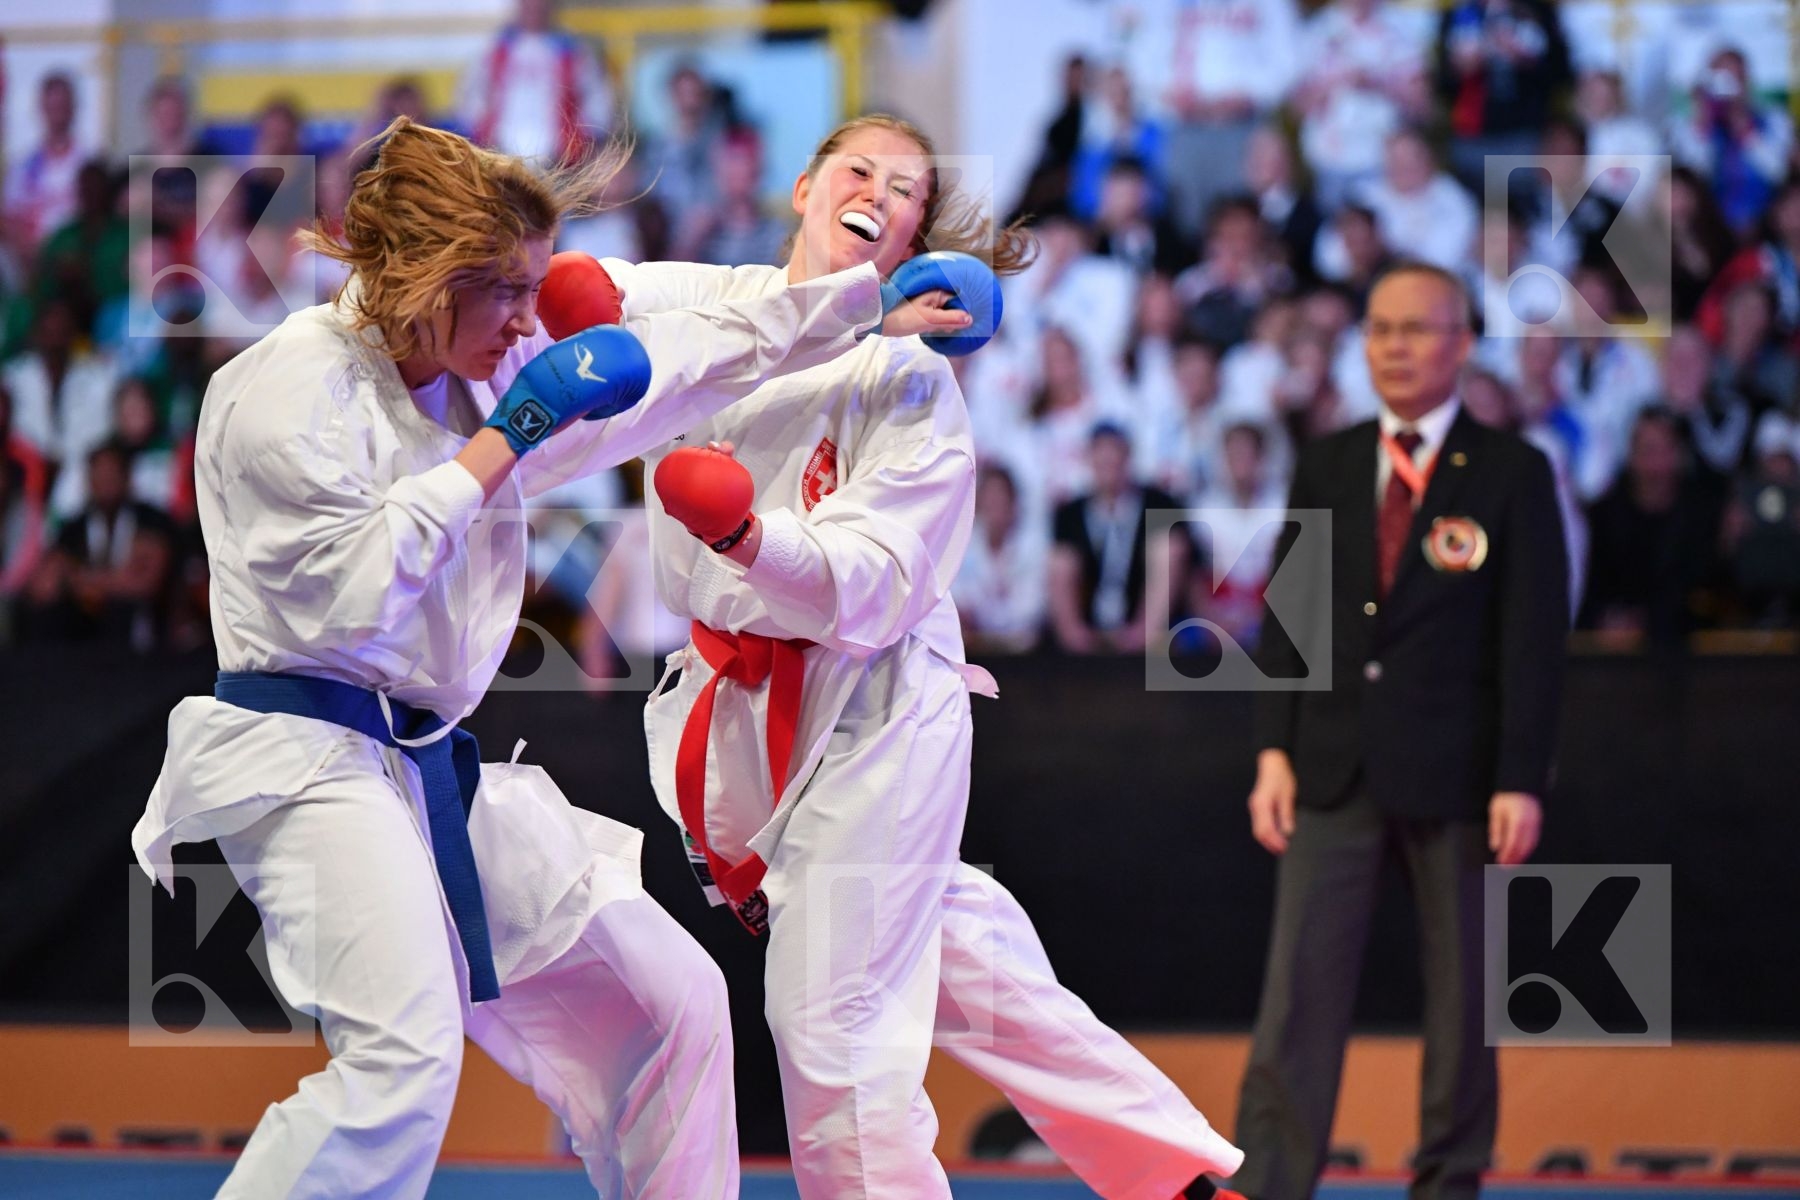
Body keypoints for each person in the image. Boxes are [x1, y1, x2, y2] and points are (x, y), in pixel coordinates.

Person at [129, 117, 965, 1200]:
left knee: (673, 1006)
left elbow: (691, 358)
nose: (534, 319)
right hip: (302, 760)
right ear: (431, 277)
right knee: (400, 1059)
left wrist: (858, 310)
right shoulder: (287, 389)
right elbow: (353, 596)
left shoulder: (473, 370)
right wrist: (502, 443)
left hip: (421, 764)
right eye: (511, 292)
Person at [611, 114, 1245, 1198]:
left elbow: (878, 578)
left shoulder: (909, 381)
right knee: (972, 976)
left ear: (913, 242)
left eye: (905, 192)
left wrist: (748, 538)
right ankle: (1190, 1183)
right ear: (805, 187)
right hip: (737, 708)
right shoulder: (717, 304)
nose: (878, 193)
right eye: (859, 170)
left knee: (833, 1019)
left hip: (875, 706)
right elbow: (592, 292)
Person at [1236, 261, 1568, 1199]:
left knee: (1463, 1004)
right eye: (1380, 329)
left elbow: (1534, 642)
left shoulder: (1512, 472)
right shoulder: (1329, 460)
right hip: (1331, 762)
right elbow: (1289, 617)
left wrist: (1521, 777)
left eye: (1416, 329)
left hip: (1462, 773)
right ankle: (1269, 1184)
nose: (1394, 347)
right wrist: (1272, 749)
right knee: (1297, 995)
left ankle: (1449, 1182)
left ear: (1462, 343)